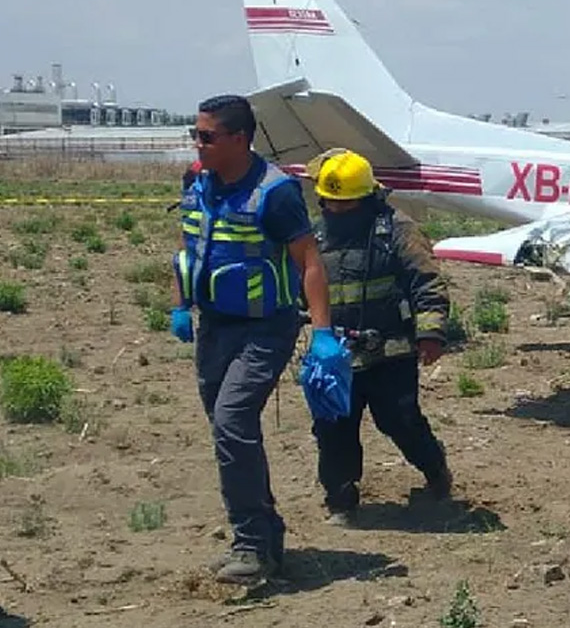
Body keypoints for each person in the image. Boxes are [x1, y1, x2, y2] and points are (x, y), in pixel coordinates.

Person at [169, 94, 342, 584]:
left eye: (207, 136)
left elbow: (309, 262)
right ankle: (264, 540)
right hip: (215, 326)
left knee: (232, 423)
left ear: (239, 139)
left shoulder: (275, 193)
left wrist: (323, 334)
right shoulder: (197, 182)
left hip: (266, 328)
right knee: (230, 433)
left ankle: (250, 543)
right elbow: (190, 246)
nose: (197, 143)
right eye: (195, 134)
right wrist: (181, 305)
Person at [302, 147, 454, 526]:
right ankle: (341, 500)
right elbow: (298, 286)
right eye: (330, 202)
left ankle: (434, 468)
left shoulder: (397, 230)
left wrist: (431, 332)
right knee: (333, 427)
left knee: (400, 420)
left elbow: (427, 281)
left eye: (346, 203)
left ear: (367, 196)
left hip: (391, 351)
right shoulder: (314, 236)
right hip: (335, 355)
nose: (337, 210)